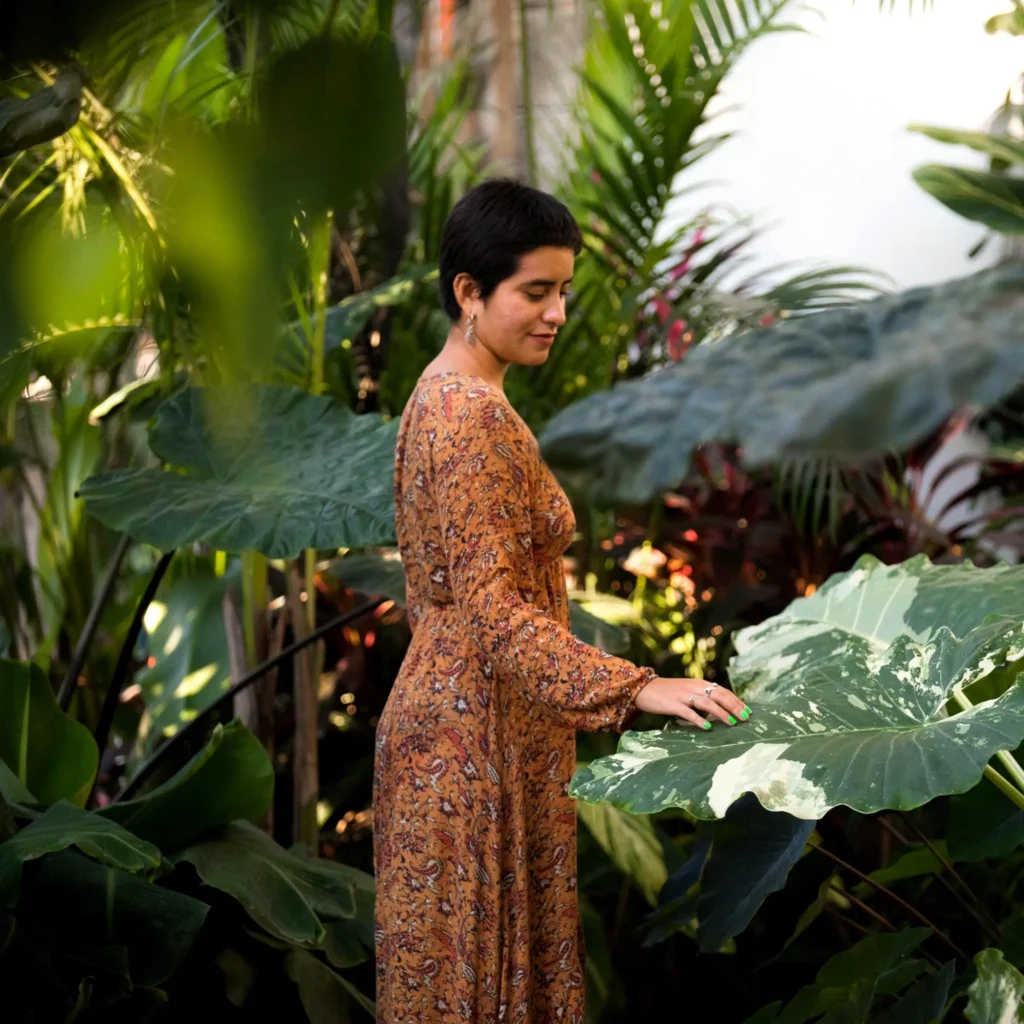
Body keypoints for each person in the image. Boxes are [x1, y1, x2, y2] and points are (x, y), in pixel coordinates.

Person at [372, 178, 751, 1022]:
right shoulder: (470, 416)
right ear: (470, 291)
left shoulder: (439, 396)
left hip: (462, 726)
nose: (555, 314)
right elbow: (494, 612)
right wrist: (639, 687)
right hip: (473, 745)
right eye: (534, 292)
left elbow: (435, 598)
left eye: (563, 292)